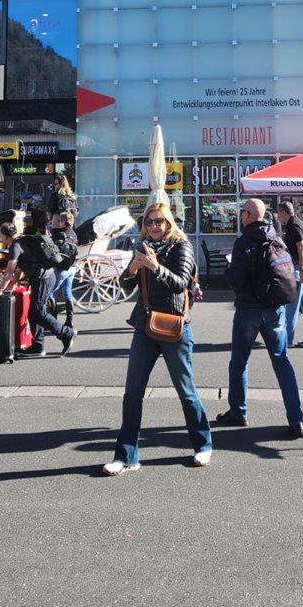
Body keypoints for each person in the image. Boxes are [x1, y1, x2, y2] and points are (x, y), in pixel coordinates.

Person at [101, 200, 211, 476]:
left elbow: (180, 282)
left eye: (158, 221)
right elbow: (127, 286)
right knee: (132, 393)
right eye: (149, 222)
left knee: (185, 391)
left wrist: (153, 266)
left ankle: (203, 444)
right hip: (145, 325)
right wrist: (133, 269)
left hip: (174, 326)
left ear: (168, 223)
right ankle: (126, 457)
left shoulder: (181, 247)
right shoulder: (141, 247)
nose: (153, 226)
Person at [216, 198, 303, 438]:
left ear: (249, 215)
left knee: (239, 361)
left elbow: (235, 280)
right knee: (281, 361)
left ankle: (239, 412)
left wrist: (228, 270)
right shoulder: (277, 238)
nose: (240, 215)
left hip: (249, 309)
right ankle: (296, 419)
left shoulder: (244, 242)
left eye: (242, 211)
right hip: (275, 309)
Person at [0, 220, 76, 358]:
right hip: (45, 276)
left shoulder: (15, 246)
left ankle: (66, 333)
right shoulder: (23, 241)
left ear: (5, 235)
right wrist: (15, 282)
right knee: (34, 312)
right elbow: (22, 267)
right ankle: (37, 346)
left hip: (43, 278)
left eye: (0, 235)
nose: (0, 238)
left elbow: (9, 270)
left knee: (38, 311)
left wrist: (0, 289)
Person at [277, 200, 303, 349]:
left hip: (300, 267)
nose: (278, 218)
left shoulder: (293, 226)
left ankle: (287, 339)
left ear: (283, 212)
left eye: (278, 214)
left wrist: (301, 270)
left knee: (292, 306)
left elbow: (300, 246)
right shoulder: (299, 223)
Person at [50, 209, 78, 328]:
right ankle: (69, 321)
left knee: (50, 292)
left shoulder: (59, 234)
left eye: (59, 221)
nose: (58, 222)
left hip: (61, 269)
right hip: (72, 267)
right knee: (67, 293)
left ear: (62, 222)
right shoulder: (74, 234)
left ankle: (53, 321)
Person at [48, 175, 78, 241]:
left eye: (56, 184)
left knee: (57, 239)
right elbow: (77, 209)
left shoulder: (55, 195)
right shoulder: (72, 195)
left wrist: (49, 217)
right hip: (69, 221)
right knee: (68, 238)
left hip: (58, 220)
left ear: (61, 184)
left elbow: (50, 209)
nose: (54, 185)